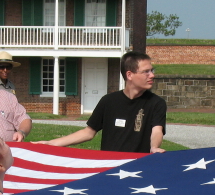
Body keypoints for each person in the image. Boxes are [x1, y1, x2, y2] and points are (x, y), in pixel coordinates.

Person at [37, 51, 166, 154]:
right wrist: (51, 143)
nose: (152, 75)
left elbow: (157, 130)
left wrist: (154, 147)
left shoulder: (156, 103)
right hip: (109, 167)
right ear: (129, 75)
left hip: (137, 168)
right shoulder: (109, 101)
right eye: (146, 72)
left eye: (152, 70)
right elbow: (88, 132)